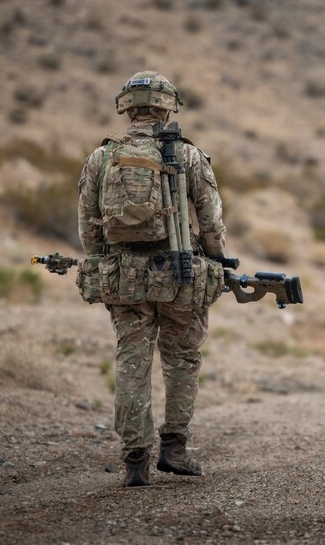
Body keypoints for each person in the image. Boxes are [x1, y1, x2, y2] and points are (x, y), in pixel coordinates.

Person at [78, 71, 226, 487]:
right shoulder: (188, 155)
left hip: (124, 277)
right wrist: (217, 262)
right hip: (180, 274)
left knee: (131, 363)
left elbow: (89, 228)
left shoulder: (101, 158)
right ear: (167, 106)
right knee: (181, 359)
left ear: (126, 106)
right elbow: (212, 222)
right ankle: (175, 448)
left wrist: (101, 265)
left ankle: (135, 460)